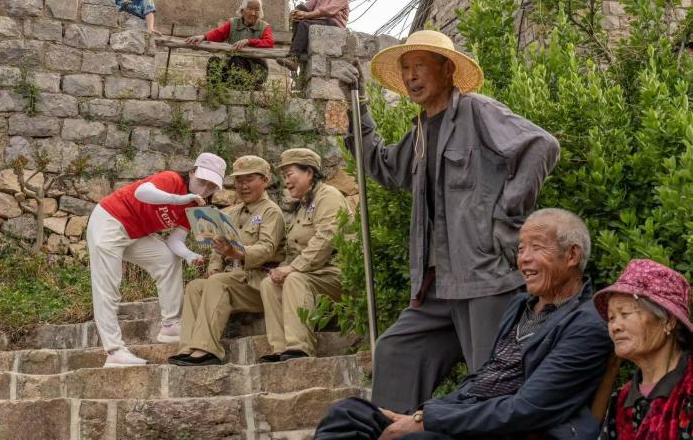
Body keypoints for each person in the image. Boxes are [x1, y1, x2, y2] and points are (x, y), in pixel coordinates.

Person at [338, 29, 561, 412]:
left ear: (447, 70)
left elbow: (542, 146)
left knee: (491, 380)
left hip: (483, 276)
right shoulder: (422, 130)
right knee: (394, 351)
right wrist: (360, 111)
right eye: (405, 68)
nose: (411, 76)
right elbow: (386, 169)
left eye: (420, 66)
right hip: (436, 284)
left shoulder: (477, 111)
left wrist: (507, 216)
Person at [314, 208, 613, 440]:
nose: (524, 259)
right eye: (521, 249)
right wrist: (422, 414)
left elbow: (527, 409)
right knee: (349, 413)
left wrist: (428, 419)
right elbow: (486, 377)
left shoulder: (587, 324)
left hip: (503, 432)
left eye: (537, 248)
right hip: (461, 416)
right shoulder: (520, 306)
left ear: (572, 255)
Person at [86, 152, 227, 368]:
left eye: (211, 186)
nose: (205, 189)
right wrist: (180, 199)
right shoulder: (172, 179)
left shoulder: (194, 208)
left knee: (168, 258)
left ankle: (170, 325)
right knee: (108, 286)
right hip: (110, 220)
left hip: (134, 233)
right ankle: (114, 351)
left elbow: (175, 242)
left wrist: (189, 255)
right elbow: (143, 192)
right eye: (202, 181)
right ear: (191, 173)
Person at [168, 155, 286, 367]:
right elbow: (216, 247)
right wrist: (214, 267)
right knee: (196, 286)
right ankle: (188, 347)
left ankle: (207, 349)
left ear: (265, 180)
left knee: (218, 283)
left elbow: (267, 249)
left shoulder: (271, 212)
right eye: (239, 181)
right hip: (233, 280)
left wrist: (237, 254)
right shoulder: (230, 212)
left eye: (249, 179)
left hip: (256, 283)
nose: (243, 186)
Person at [259, 148, 350, 362]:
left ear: (309, 173)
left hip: (338, 274)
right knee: (268, 284)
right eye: (284, 177)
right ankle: (280, 348)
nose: (286, 182)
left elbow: (325, 239)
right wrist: (281, 268)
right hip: (315, 274)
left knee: (295, 279)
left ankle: (300, 347)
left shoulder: (329, 196)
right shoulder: (302, 207)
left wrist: (292, 268)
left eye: (289, 174)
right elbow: (293, 250)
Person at [595, 259, 693, 439]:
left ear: (668, 320)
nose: (615, 326)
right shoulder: (622, 398)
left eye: (625, 314)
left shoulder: (689, 387)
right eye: (611, 318)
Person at [185, 0, 274, 90]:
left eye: (257, 10)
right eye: (250, 9)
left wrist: (248, 41)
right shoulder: (233, 23)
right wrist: (203, 37)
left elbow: (269, 42)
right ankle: (215, 93)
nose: (253, 13)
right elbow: (218, 34)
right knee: (214, 61)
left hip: (254, 69)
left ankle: (237, 92)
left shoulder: (264, 27)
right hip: (232, 64)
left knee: (237, 60)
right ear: (242, 10)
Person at [278, 0, 350, 73]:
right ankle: (295, 54)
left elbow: (330, 10)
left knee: (304, 24)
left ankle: (293, 57)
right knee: (300, 8)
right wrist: (296, 13)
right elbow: (306, 7)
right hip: (318, 20)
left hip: (333, 22)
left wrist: (307, 15)